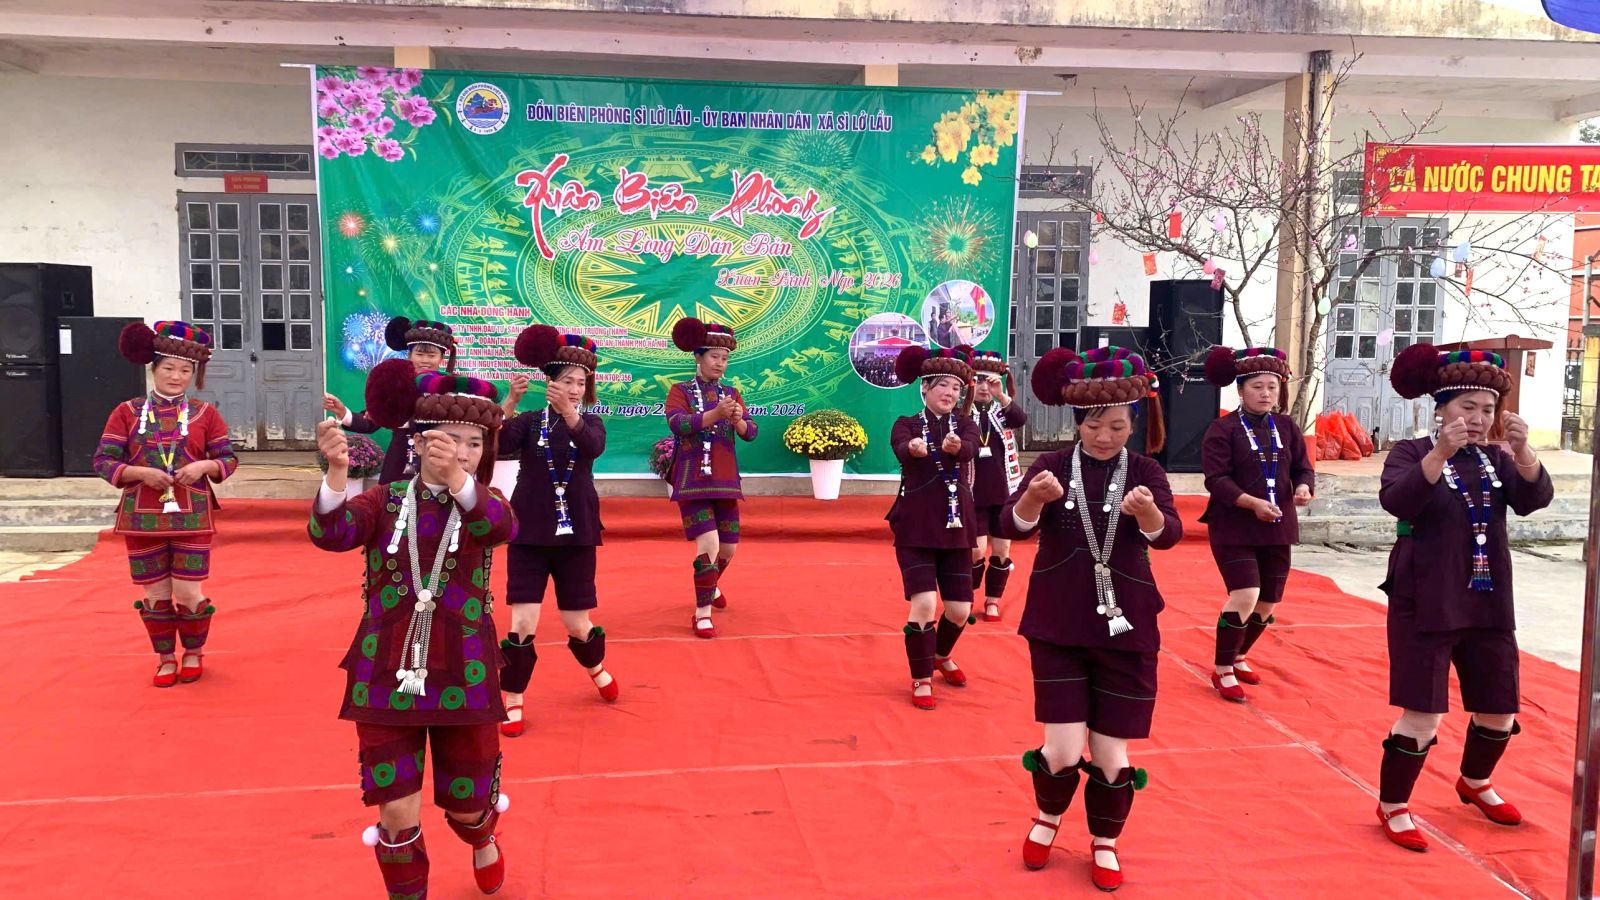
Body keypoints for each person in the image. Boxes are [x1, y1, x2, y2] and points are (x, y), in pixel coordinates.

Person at [310, 359, 518, 897]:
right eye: (450, 440)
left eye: (475, 443)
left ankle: (482, 837)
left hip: (465, 670)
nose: (463, 452)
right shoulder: (385, 500)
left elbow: (499, 529)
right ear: (420, 442)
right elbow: (331, 534)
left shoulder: (486, 503)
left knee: (468, 805)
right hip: (384, 669)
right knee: (396, 814)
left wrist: (459, 482)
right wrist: (336, 474)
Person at [999, 345, 1181, 892]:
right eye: (1094, 425)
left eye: (1118, 427)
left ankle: (1105, 840)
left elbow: (1169, 535)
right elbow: (1010, 525)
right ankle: (1047, 818)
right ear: (1078, 421)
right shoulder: (1052, 466)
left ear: (1135, 424)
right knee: (1060, 747)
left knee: (1110, 752)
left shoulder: (1146, 470)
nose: (1105, 436)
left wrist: (1148, 514)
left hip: (1128, 628)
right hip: (1058, 624)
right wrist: (1032, 501)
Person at [1372, 344, 1552, 852]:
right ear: (1442, 409)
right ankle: (1392, 804)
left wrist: (1524, 451)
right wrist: (1440, 454)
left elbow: (1534, 500)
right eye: (1467, 407)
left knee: (1500, 709)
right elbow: (1398, 500)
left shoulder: (1496, 458)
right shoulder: (1411, 452)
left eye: (1487, 410)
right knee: (1423, 714)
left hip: (1487, 597)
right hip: (1424, 598)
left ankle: (1474, 781)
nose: (1477, 418)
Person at [96, 321, 238, 687]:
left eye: (185, 370)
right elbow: (103, 460)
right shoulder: (127, 412)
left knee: (188, 591)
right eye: (169, 368)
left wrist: (204, 466)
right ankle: (165, 658)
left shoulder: (205, 413)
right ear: (154, 369)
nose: (176, 377)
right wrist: (139, 473)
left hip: (193, 516)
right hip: (142, 518)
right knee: (155, 594)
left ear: (194, 374)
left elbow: (228, 458)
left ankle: (193, 651)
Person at [496, 325, 615, 739]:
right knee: (522, 622)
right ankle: (513, 697)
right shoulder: (529, 422)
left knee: (577, 622)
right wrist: (510, 402)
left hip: (577, 532)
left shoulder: (591, 422)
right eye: (567, 381)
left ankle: (595, 667)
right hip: (529, 531)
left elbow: (593, 447)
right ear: (550, 383)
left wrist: (570, 413)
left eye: (581, 383)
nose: (575, 389)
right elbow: (498, 443)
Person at [1199, 346, 1314, 701]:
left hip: (1277, 524)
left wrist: (1304, 487)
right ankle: (1222, 669)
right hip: (1233, 524)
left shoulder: (1287, 427)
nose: (1266, 394)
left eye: (1272, 387)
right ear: (1240, 390)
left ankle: (1239, 655)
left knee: (1268, 602)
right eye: (1257, 387)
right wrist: (1250, 503)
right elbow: (1216, 479)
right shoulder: (1222, 429)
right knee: (1246, 594)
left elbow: (1303, 468)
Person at [887, 345, 979, 710]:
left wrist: (959, 447)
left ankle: (940, 655)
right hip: (916, 528)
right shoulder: (907, 423)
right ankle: (922, 677)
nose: (950, 393)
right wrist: (912, 447)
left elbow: (971, 448)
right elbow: (900, 446)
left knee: (959, 610)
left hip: (957, 527)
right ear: (924, 387)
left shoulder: (965, 425)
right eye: (942, 385)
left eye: (956, 388)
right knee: (924, 604)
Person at [663, 317, 757, 638]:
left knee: (729, 549)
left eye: (725, 358)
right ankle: (702, 613)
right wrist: (716, 414)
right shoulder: (680, 391)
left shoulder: (731, 393)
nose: (720, 363)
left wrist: (738, 420)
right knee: (710, 544)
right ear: (698, 357)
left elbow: (751, 433)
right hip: (693, 481)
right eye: (714, 356)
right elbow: (677, 423)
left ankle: (711, 585)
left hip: (726, 480)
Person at [323, 317, 462, 484]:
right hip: (399, 463)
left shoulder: (454, 387)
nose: (425, 360)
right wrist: (342, 411)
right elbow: (371, 421)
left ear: (441, 358)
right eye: (419, 354)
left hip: (439, 460)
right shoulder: (396, 384)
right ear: (409, 355)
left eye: (431, 355)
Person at [967, 350, 1027, 623]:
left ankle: (993, 600)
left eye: (989, 381)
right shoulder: (961, 411)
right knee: (976, 551)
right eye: (978, 380)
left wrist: (1001, 395)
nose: (983, 387)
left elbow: (1020, 420)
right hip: (973, 492)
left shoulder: (1003, 410)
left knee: (1002, 552)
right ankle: (966, 595)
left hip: (1004, 492)